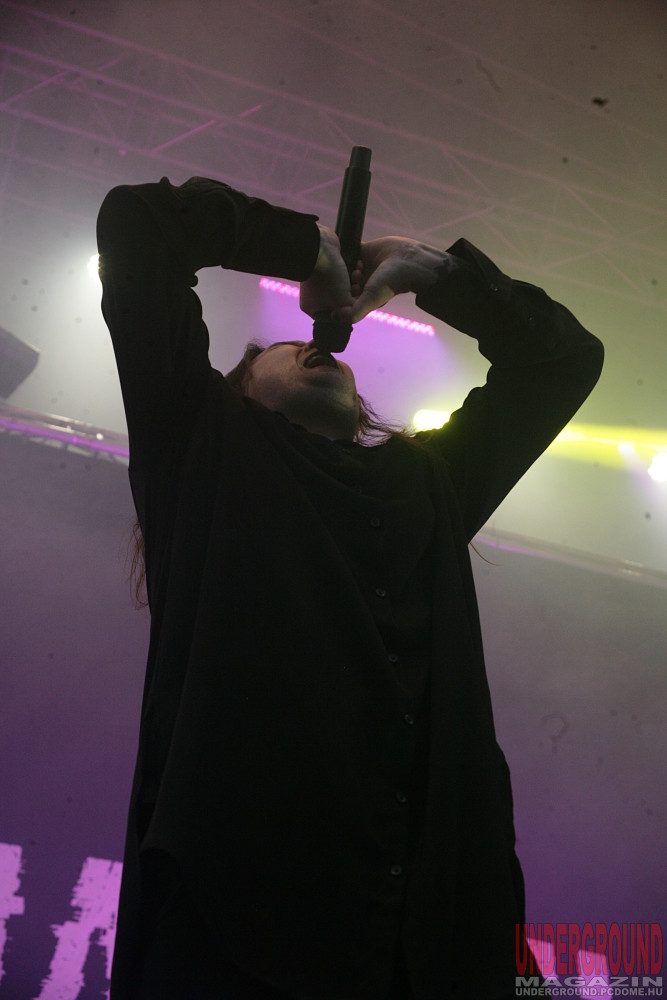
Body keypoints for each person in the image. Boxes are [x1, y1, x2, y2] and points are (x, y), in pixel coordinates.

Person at [97, 172, 603, 1000]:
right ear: (237, 392)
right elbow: (139, 224)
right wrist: (301, 248)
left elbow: (561, 360)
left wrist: (432, 273)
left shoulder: (425, 485)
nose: (314, 351)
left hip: (434, 944)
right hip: (236, 933)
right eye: (273, 353)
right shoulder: (202, 448)